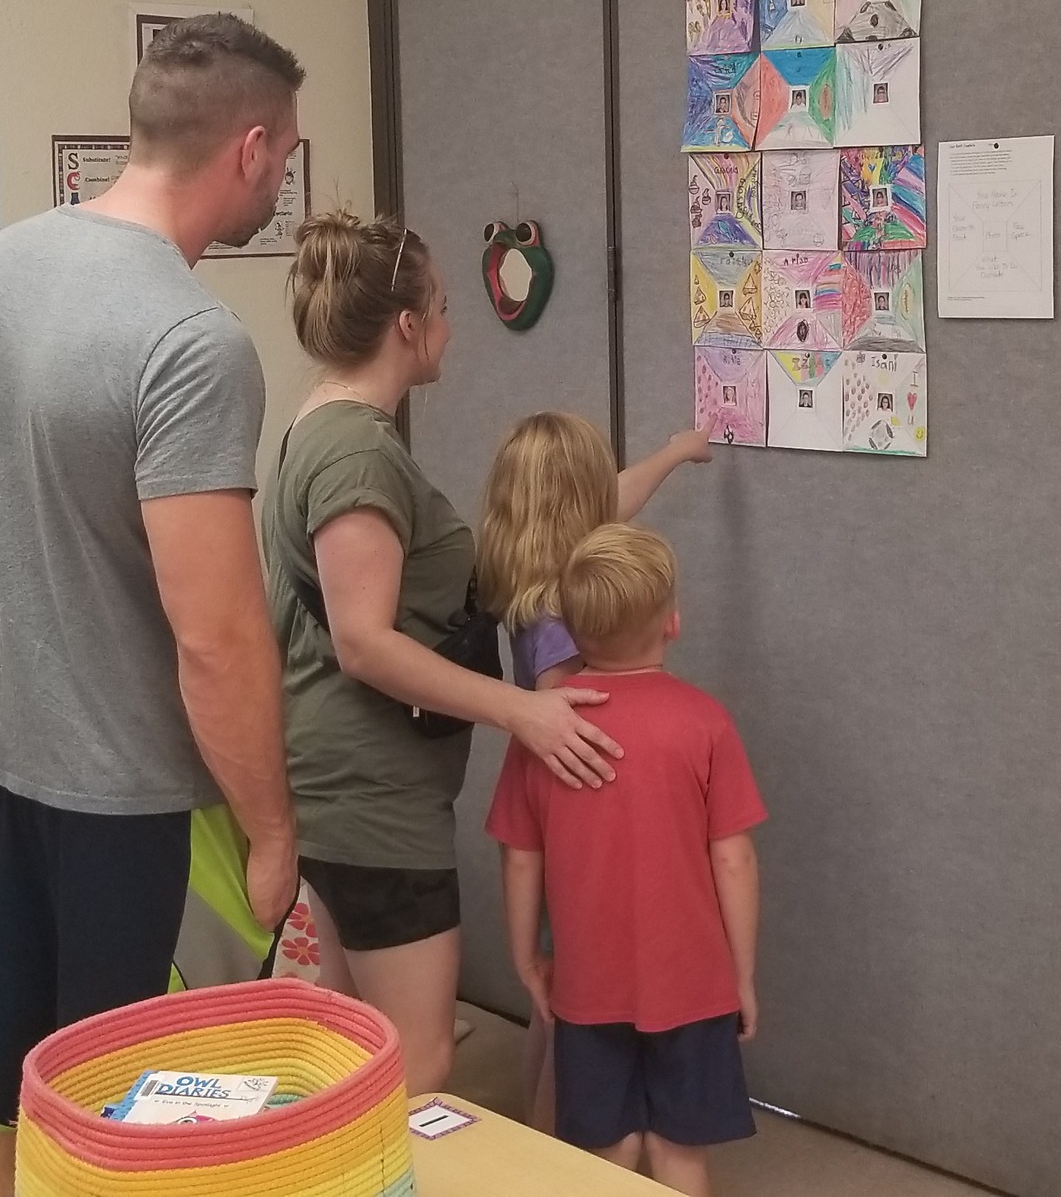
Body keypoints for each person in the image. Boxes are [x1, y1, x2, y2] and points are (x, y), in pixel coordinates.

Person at [0, 13, 304, 1197]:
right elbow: (217, 633)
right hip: (117, 771)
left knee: (20, 1054)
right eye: (284, 153)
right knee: (116, 1096)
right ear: (246, 148)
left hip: (2, 736)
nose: (282, 176)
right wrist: (274, 829)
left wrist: (40, 592)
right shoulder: (188, 337)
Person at [260, 210, 626, 1096]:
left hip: (340, 786)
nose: (453, 328)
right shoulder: (358, 452)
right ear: (407, 326)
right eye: (445, 308)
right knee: (416, 1060)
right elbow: (363, 641)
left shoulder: (319, 426)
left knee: (355, 1050)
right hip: (373, 800)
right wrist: (522, 710)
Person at [490, 523, 765, 1196]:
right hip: (695, 983)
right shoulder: (706, 722)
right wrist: (743, 974)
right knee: (682, 1153)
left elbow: (520, 860)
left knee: (604, 1153)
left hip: (587, 983)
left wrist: (527, 956)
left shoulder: (541, 731)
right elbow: (734, 860)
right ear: (672, 621)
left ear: (574, 634)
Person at [475, 411, 711, 690]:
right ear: (587, 504)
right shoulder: (562, 619)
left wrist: (680, 449)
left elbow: (623, 494)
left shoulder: (531, 566)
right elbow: (558, 720)